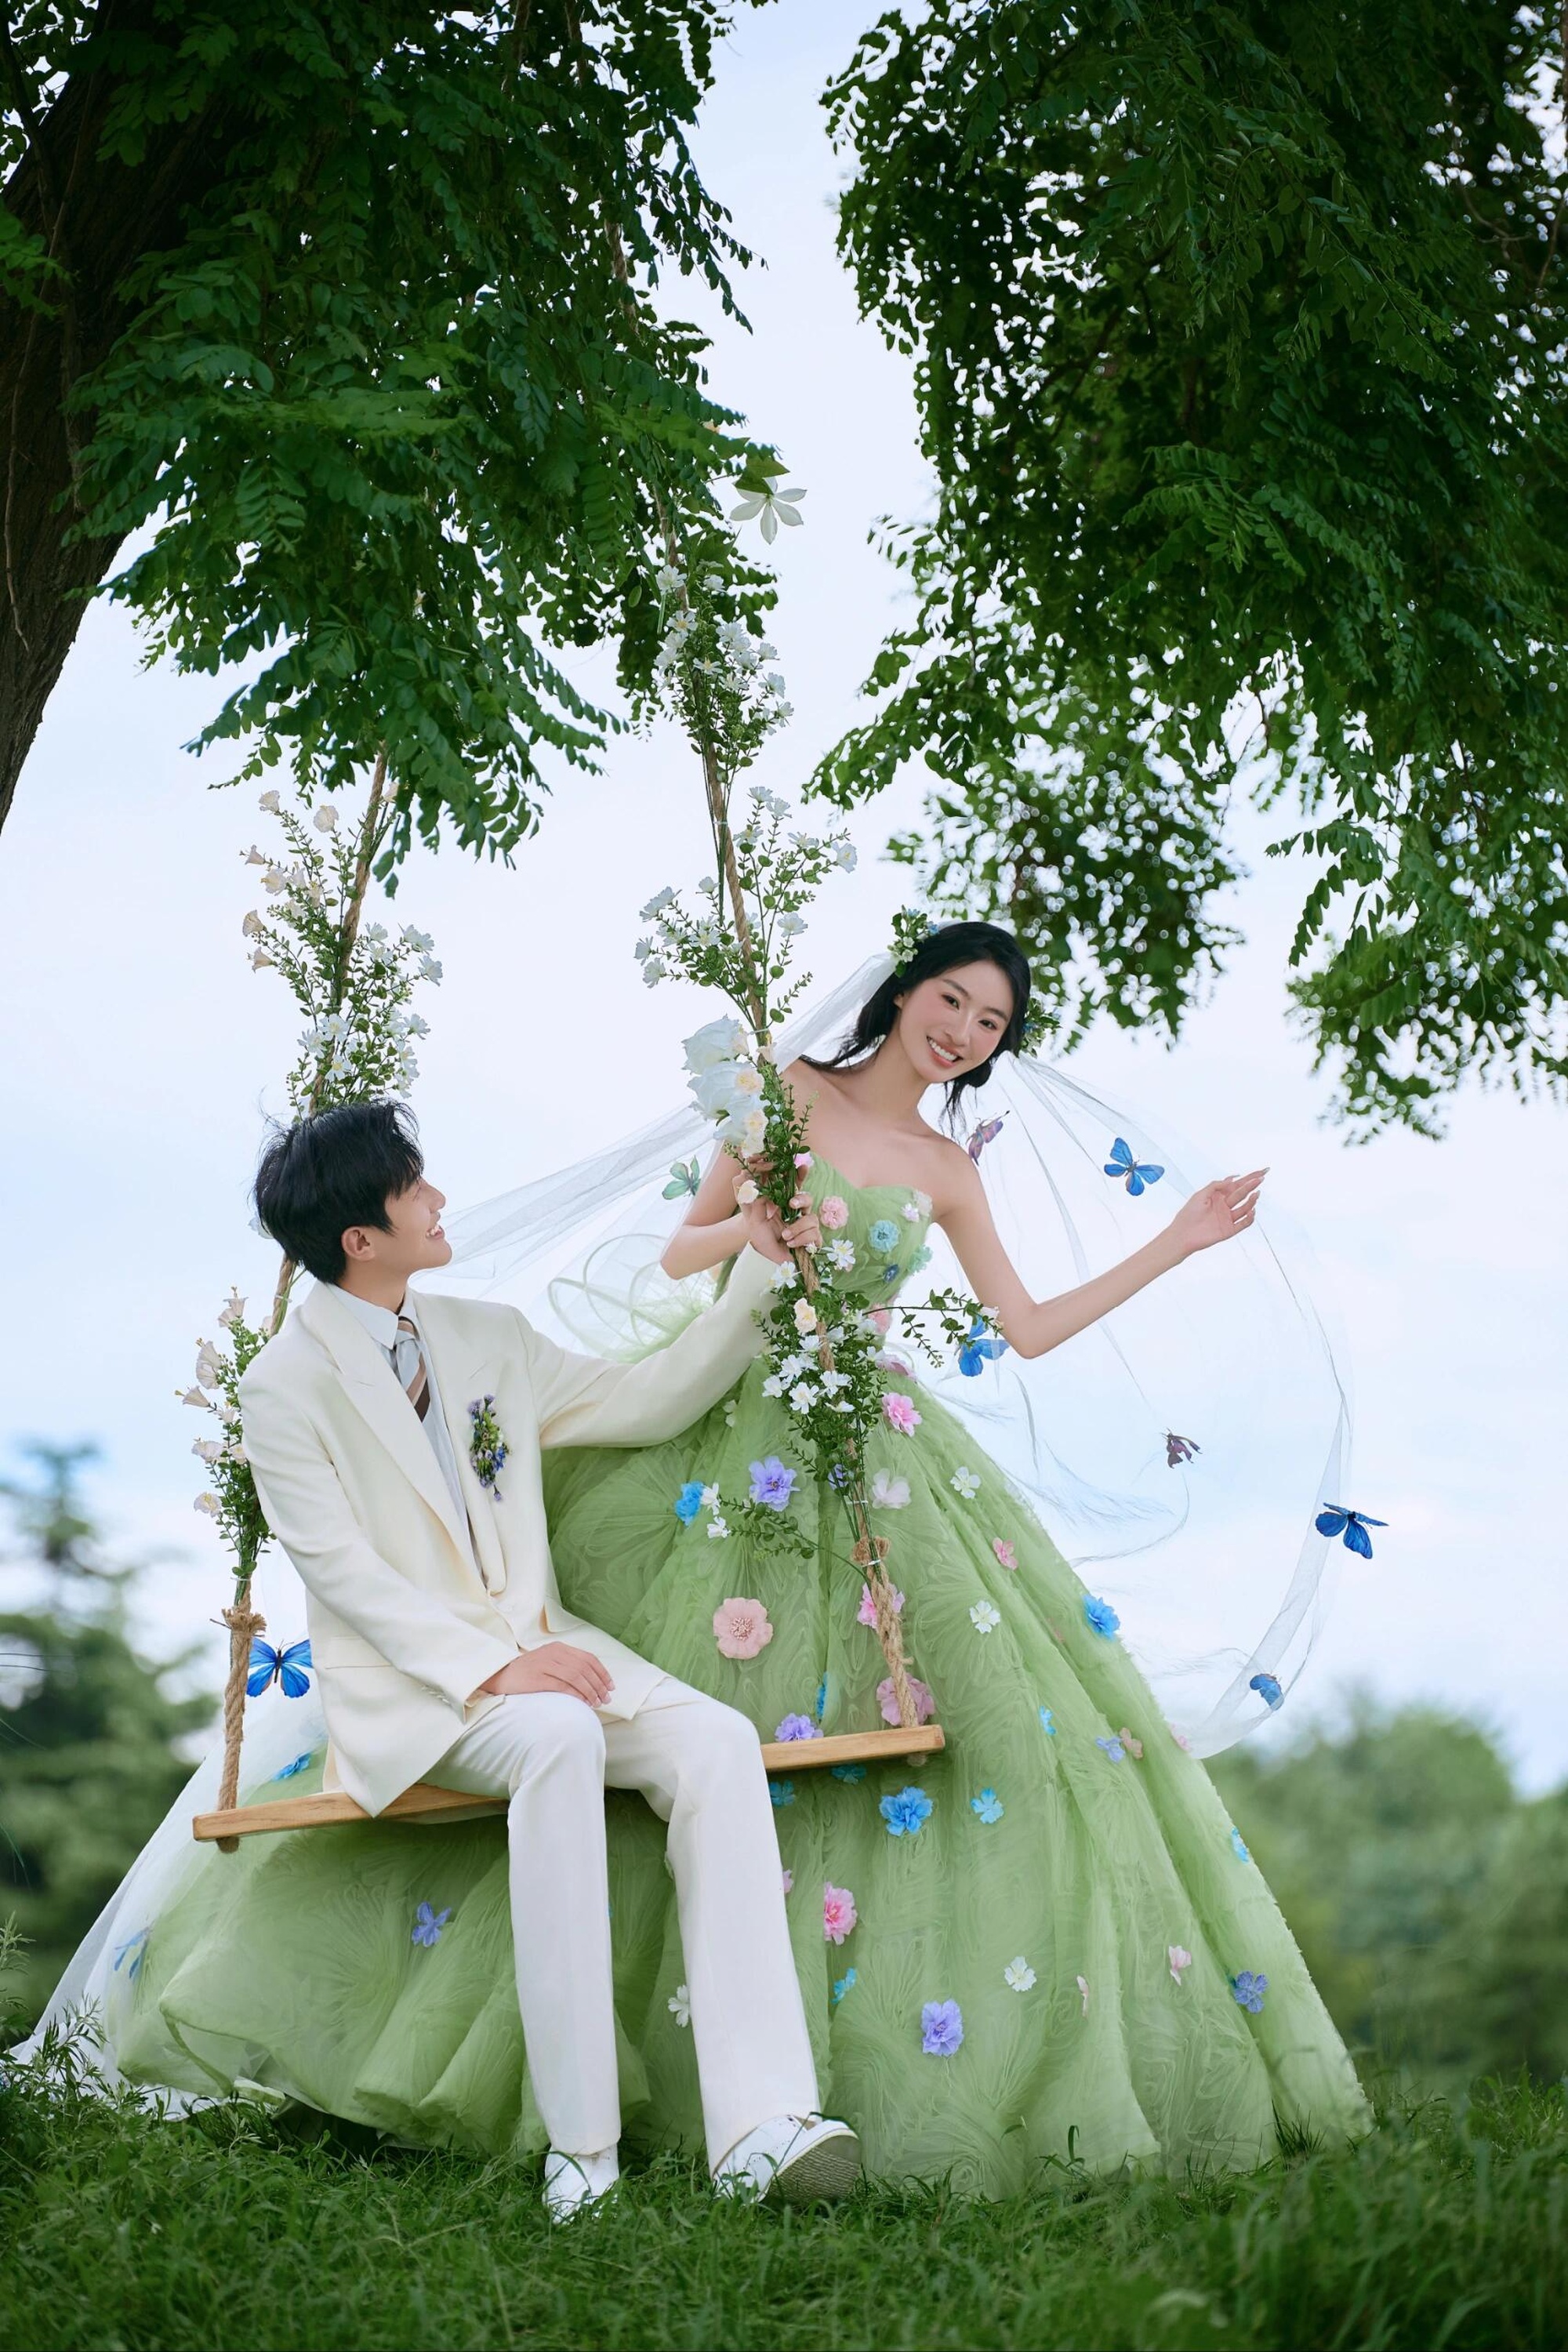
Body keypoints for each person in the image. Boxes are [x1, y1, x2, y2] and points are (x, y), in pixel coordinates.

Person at [25, 927, 1367, 2197]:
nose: (964, 1030)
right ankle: (594, 2134)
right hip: (721, 1459)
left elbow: (1015, 1326)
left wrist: (1176, 1240)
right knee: (616, 1721)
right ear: (904, 992)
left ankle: (771, 2120)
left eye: (992, 1022)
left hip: (871, 1444)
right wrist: (757, 1238)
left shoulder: (940, 1175)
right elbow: (679, 1258)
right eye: (952, 998)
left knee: (836, 1736)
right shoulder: (778, 1097)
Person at [181, 1101, 858, 2219]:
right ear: (359, 1237)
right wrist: (492, 1671)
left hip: (548, 1655)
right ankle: (582, 2151)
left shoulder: (485, 1337)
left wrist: (761, 1271)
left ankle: (762, 2126)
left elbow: (647, 1400)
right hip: (418, 1694)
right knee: (555, 1737)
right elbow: (342, 1572)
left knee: (715, 1742)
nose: (440, 1199)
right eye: (415, 1188)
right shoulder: (281, 1388)